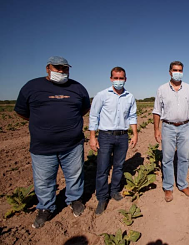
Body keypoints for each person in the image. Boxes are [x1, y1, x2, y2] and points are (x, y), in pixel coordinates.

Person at [14, 56, 90, 228]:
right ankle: (46, 208)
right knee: (43, 180)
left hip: (73, 144)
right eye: (57, 68)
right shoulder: (32, 87)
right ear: (47, 68)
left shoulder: (77, 88)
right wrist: (43, 125)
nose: (61, 71)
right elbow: (21, 111)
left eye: (65, 68)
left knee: (74, 175)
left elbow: (84, 109)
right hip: (42, 146)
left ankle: (74, 200)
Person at [89, 67, 138, 215]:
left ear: (125, 79)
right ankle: (102, 197)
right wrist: (92, 136)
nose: (118, 81)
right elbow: (93, 116)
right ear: (111, 79)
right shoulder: (102, 95)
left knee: (118, 166)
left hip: (123, 136)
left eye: (121, 78)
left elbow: (132, 116)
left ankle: (115, 191)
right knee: (103, 168)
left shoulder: (130, 97)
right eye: (116, 78)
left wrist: (135, 134)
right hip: (105, 136)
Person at [153, 61, 189, 202]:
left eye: (180, 70)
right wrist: (156, 130)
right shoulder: (162, 89)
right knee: (167, 158)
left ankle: (182, 184)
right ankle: (168, 187)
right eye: (175, 70)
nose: (177, 72)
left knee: (184, 157)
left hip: (185, 126)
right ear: (170, 72)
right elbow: (156, 111)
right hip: (168, 127)